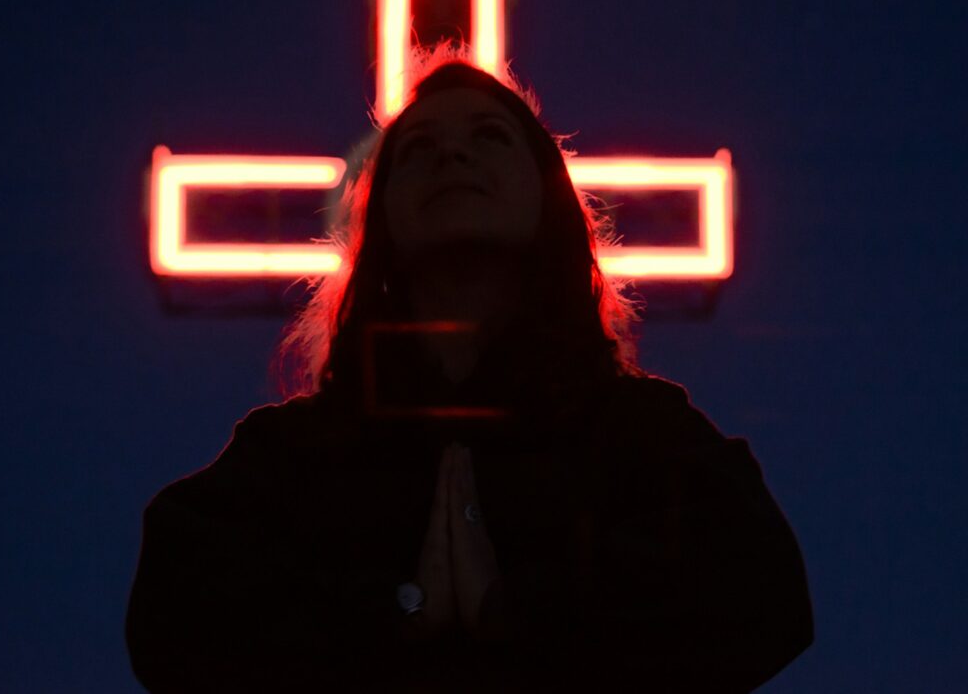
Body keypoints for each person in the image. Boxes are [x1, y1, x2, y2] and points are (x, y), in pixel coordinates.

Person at [125, 48, 814, 692]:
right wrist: (399, 608)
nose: (452, 153)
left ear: (546, 193)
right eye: (417, 150)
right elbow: (172, 614)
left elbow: (762, 591)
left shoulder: (642, 435)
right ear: (383, 214)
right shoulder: (298, 453)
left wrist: (511, 607)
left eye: (490, 137)